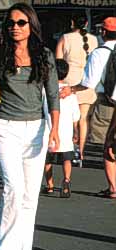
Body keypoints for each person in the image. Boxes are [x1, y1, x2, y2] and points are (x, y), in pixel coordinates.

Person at [0, 3, 60, 250]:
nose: (15, 27)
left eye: (21, 22)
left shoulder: (44, 55)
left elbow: (53, 96)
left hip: (37, 129)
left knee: (29, 197)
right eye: (11, 23)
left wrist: (55, 130)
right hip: (5, 129)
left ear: (31, 25)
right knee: (13, 189)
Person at [60, 16, 116, 199]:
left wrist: (72, 89)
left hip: (108, 102)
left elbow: (89, 82)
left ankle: (114, 188)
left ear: (104, 32)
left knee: (109, 146)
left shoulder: (100, 52)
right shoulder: (93, 43)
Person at [56, 13, 99, 165]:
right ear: (86, 23)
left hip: (67, 84)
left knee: (68, 118)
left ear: (72, 22)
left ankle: (69, 149)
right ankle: (80, 152)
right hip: (87, 83)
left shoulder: (65, 38)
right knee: (83, 119)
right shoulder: (94, 40)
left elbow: (59, 62)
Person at [42, 59, 80, 198]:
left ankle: (50, 185)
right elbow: (76, 116)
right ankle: (66, 180)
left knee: (48, 160)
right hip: (66, 132)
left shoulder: (45, 90)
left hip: (49, 130)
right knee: (66, 159)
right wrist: (76, 131)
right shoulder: (70, 94)